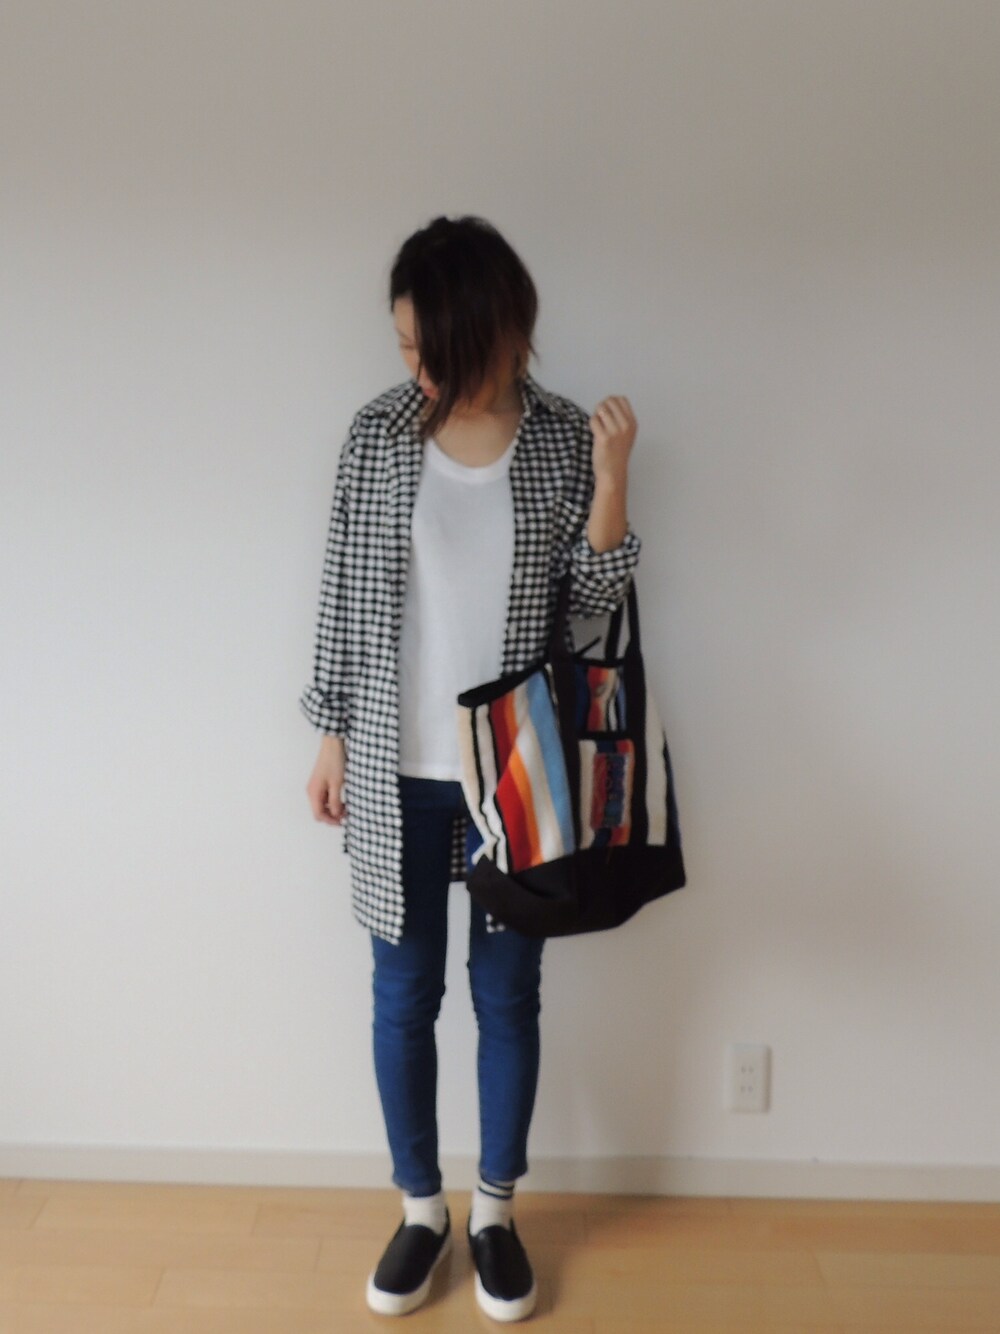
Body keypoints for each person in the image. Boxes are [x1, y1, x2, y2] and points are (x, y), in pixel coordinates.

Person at [300, 214, 641, 1321]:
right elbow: (342, 594)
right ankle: (420, 1209)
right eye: (404, 347)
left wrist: (612, 479)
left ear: (495, 331)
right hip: (394, 766)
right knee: (403, 994)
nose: (416, 370)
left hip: (516, 771)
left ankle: (493, 1212)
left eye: (430, 348)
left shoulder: (559, 439)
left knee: (506, 994)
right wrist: (330, 731)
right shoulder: (377, 435)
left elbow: (590, 615)